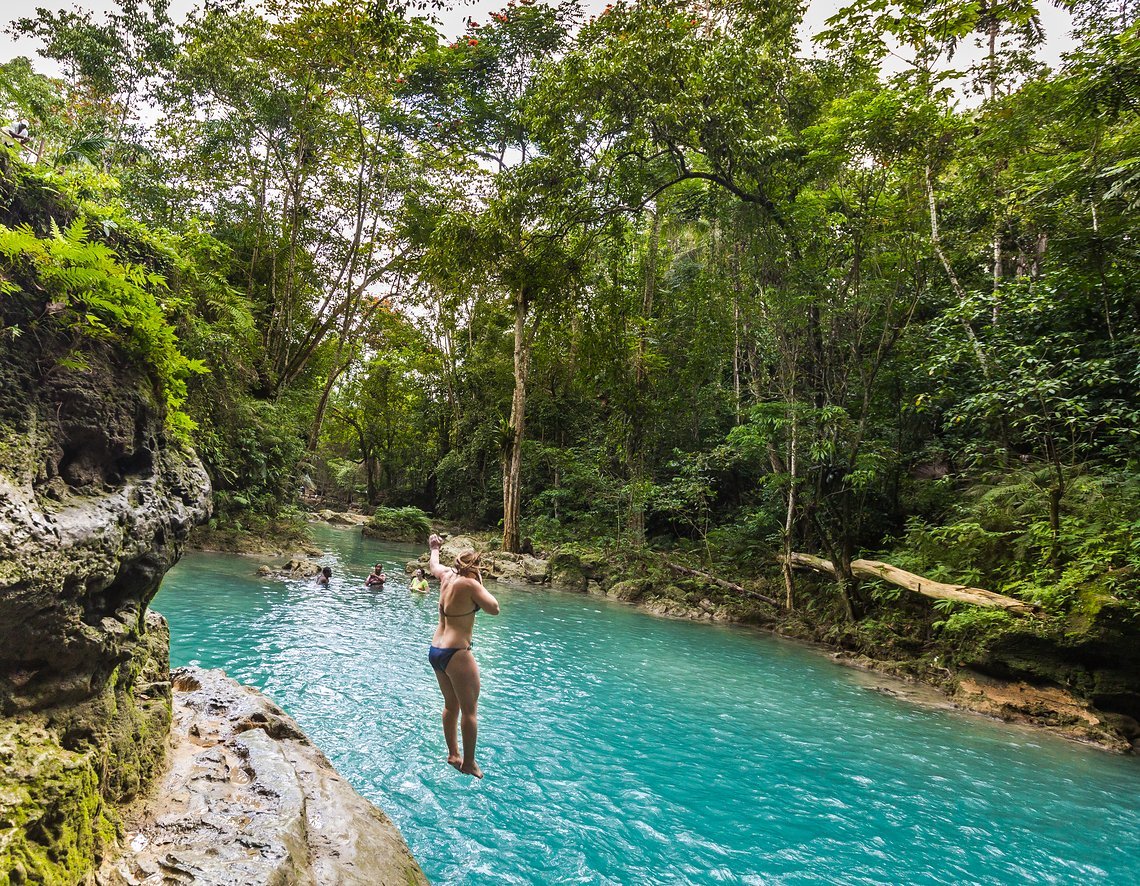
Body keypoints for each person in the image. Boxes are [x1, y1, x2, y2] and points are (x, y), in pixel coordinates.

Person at [426, 533, 499, 778]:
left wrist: (434, 547)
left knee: (451, 705)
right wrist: (479, 582)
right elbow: (494, 609)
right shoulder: (469, 585)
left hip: (436, 650)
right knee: (470, 710)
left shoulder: (447, 576)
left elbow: (433, 565)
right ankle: (468, 762)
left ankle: (453, 754)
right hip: (457, 652)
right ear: (475, 568)